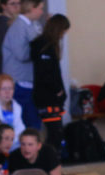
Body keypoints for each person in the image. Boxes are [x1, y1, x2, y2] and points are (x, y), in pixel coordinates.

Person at [1, 0, 45, 129]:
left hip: (29, 81)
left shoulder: (32, 25)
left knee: (34, 123)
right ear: (31, 8)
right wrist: (40, 49)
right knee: (25, 124)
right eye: (40, 8)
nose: (42, 12)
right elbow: (22, 54)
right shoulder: (19, 26)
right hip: (20, 82)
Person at [31, 13, 70, 151]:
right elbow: (46, 73)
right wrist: (57, 90)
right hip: (47, 97)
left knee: (56, 133)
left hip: (51, 97)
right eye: (63, 31)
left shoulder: (47, 45)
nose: (63, 35)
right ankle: (49, 161)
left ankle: (52, 160)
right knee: (55, 134)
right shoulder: (44, 46)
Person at [0, 0, 21, 80]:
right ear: (3, 6)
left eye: (19, 3)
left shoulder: (10, 24)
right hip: (6, 72)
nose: (16, 6)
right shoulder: (3, 25)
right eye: (12, 3)